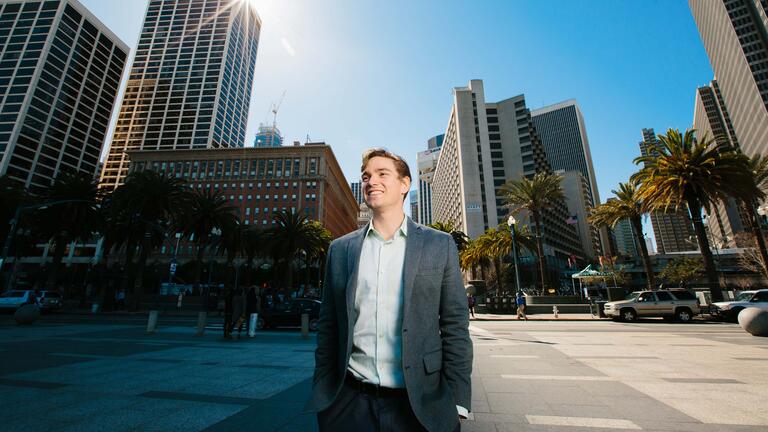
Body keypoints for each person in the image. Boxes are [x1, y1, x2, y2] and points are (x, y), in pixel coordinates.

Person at [305, 148, 472, 432]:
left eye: (382, 174)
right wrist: (324, 390)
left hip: (421, 405)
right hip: (348, 405)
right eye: (366, 176)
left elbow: (455, 325)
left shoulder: (439, 245)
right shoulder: (341, 249)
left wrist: (457, 402)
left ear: (405, 184)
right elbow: (329, 325)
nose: (371, 181)